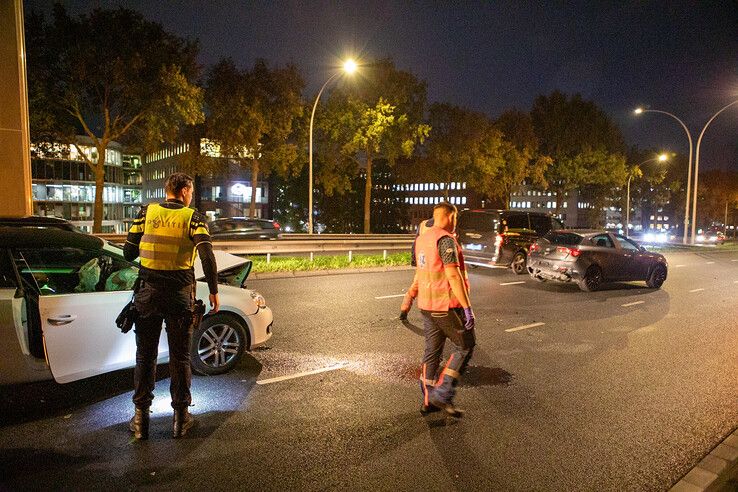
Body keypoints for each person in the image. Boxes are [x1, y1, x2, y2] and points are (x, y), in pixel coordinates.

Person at [123, 173, 220, 439]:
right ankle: (181, 419)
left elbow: (128, 253)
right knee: (180, 358)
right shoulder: (194, 218)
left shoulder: (146, 213)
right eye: (190, 192)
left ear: (167, 190)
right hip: (179, 296)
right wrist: (213, 290)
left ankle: (141, 422)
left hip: (148, 295)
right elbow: (207, 257)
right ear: (186, 190)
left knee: (145, 356)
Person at [412, 202, 475, 417]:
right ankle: (443, 393)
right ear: (449, 217)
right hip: (445, 306)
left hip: (426, 306)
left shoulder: (421, 240)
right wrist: (467, 308)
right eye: (455, 218)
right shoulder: (445, 240)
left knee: (432, 353)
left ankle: (428, 401)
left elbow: (420, 271)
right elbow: (452, 275)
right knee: (465, 345)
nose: (455, 223)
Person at [399, 217, 433, 320]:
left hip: (422, 261)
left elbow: (416, 242)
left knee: (416, 285)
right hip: (436, 262)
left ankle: (404, 309)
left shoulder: (423, 224)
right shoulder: (444, 226)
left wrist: (414, 260)